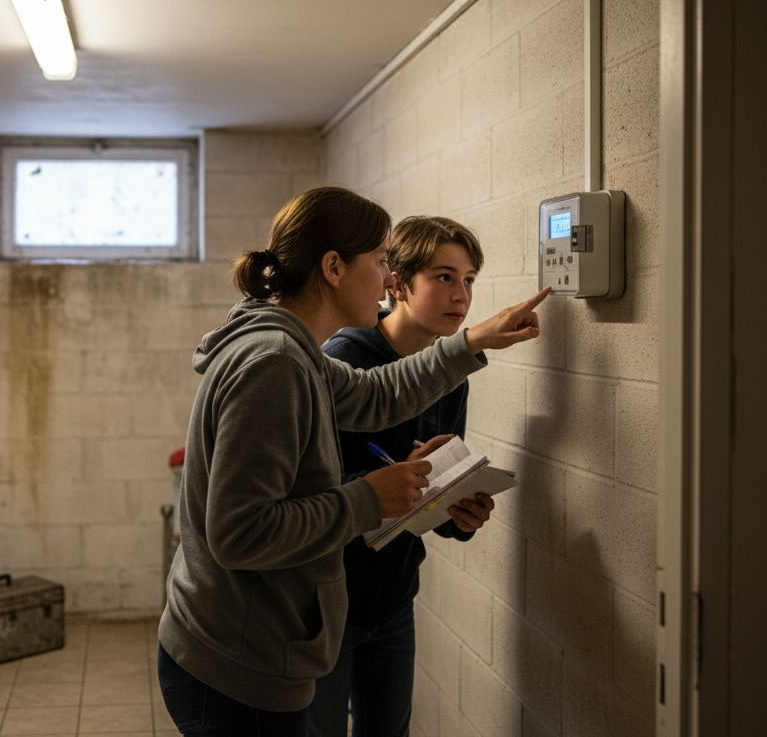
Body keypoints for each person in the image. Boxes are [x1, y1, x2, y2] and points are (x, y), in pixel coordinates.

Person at [156, 187, 550, 737]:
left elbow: (373, 395)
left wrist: (469, 343)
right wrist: (370, 497)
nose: (390, 278)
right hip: (236, 665)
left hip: (249, 647)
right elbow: (239, 532)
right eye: (384, 261)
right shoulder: (273, 363)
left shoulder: (294, 350)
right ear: (334, 267)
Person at [307, 215, 492, 737]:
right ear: (397, 283)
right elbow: (314, 486)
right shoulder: (345, 359)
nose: (461, 295)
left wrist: (460, 513)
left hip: (392, 597)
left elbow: (432, 493)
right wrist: (392, 479)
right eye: (444, 277)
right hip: (327, 600)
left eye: (470, 279)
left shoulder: (450, 371)